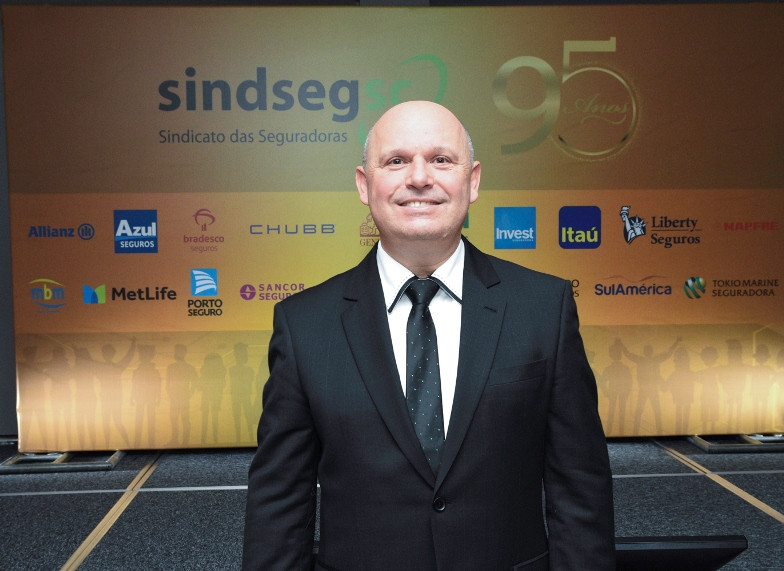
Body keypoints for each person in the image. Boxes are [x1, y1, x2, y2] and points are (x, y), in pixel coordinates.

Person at [243, 101, 615, 570]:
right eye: (396, 160)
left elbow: (580, 487)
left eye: (441, 159)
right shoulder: (304, 325)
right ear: (364, 184)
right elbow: (279, 501)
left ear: (472, 181)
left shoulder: (544, 307)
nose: (419, 178)